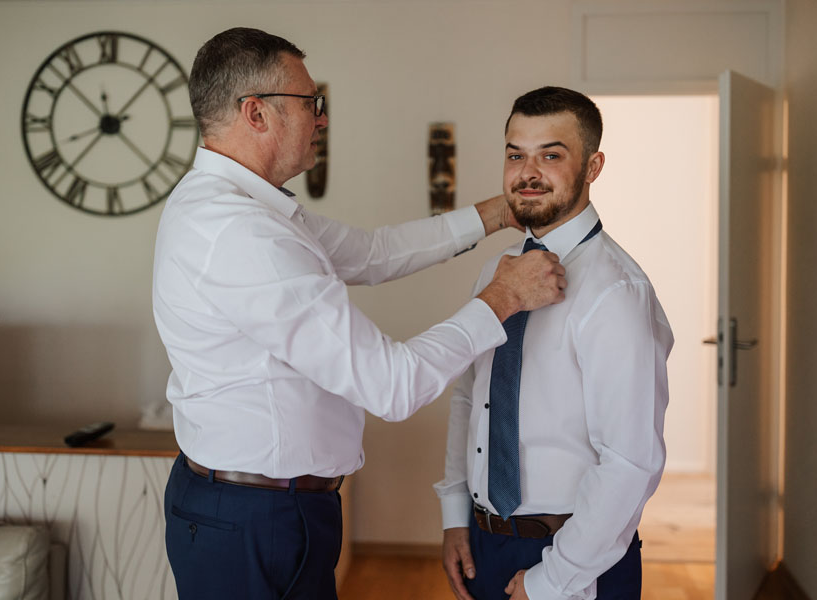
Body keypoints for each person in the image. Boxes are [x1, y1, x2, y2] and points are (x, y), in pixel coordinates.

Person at [152, 28, 568, 600]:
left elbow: (373, 253)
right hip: (256, 520)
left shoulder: (244, 207)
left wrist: (497, 213)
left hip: (262, 507)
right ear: (256, 113)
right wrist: (502, 298)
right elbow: (391, 385)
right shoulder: (240, 234)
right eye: (311, 103)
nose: (322, 119)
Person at [434, 87, 674, 600]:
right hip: (484, 545)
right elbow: (468, 397)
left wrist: (553, 579)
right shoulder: (494, 274)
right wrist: (457, 517)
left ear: (593, 166)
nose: (528, 172)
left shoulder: (616, 292)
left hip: (575, 557)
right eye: (515, 154)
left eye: (551, 155)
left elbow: (631, 463)